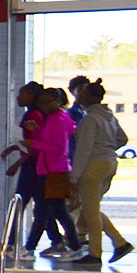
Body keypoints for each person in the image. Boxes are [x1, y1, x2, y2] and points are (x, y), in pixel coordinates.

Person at [71, 80, 132, 264]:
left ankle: (96, 253)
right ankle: (120, 243)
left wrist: (74, 176)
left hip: (93, 166)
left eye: (82, 94)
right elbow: (123, 138)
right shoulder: (109, 116)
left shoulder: (90, 119)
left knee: (90, 211)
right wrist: (108, 148)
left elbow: (84, 149)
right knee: (91, 208)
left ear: (88, 97)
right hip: (109, 163)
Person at [29, 86, 87, 260]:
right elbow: (51, 141)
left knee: (44, 211)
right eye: (41, 102)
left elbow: (58, 147)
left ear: (59, 102)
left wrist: (33, 143)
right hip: (52, 169)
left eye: (48, 101)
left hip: (52, 171)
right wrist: (36, 133)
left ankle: (30, 247)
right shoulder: (57, 118)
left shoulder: (57, 119)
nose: (44, 105)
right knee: (53, 211)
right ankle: (73, 246)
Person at [0, 83, 44, 260]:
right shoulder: (32, 114)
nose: (17, 97)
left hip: (33, 166)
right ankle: (13, 241)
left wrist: (17, 164)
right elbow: (29, 142)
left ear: (31, 95)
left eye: (21, 94)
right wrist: (15, 148)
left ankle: (14, 242)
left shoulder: (34, 115)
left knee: (21, 204)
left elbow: (35, 147)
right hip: (33, 164)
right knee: (39, 207)